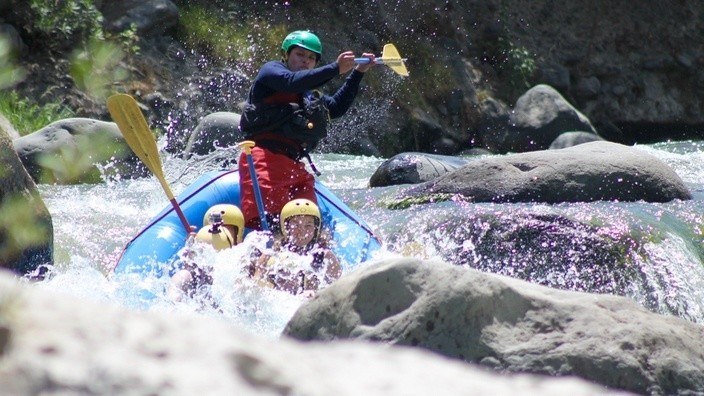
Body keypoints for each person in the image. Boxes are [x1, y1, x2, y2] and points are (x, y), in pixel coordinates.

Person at [238, 30, 376, 230]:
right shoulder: (271, 72)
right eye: (300, 54)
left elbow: (336, 107)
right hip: (264, 160)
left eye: (311, 58)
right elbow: (291, 82)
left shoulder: (308, 95)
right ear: (286, 55)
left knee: (309, 230)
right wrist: (335, 68)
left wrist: (358, 73)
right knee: (271, 228)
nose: (305, 61)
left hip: (295, 169)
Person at [249, 199, 341, 296]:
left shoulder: (325, 256)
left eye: (308, 225)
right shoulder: (270, 254)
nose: (302, 231)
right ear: (286, 227)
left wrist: (317, 294)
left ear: (316, 229)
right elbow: (255, 286)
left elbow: (340, 288)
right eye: (295, 225)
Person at [168, 204, 245, 302]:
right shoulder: (192, 272)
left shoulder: (244, 262)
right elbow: (174, 292)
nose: (220, 235)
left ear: (238, 238)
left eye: (226, 230)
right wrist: (189, 258)